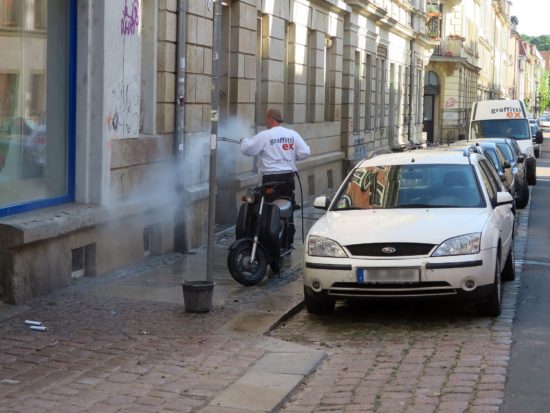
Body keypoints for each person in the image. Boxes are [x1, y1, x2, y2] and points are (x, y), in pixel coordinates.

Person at [240, 108, 310, 245]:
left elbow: (248, 149)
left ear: (271, 119)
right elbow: (305, 152)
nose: (266, 121)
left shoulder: (265, 135)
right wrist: (291, 158)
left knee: (269, 209)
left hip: (270, 181)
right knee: (287, 208)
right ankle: (287, 241)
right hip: (288, 179)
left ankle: (270, 240)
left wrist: (243, 141)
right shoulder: (292, 135)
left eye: (267, 119)